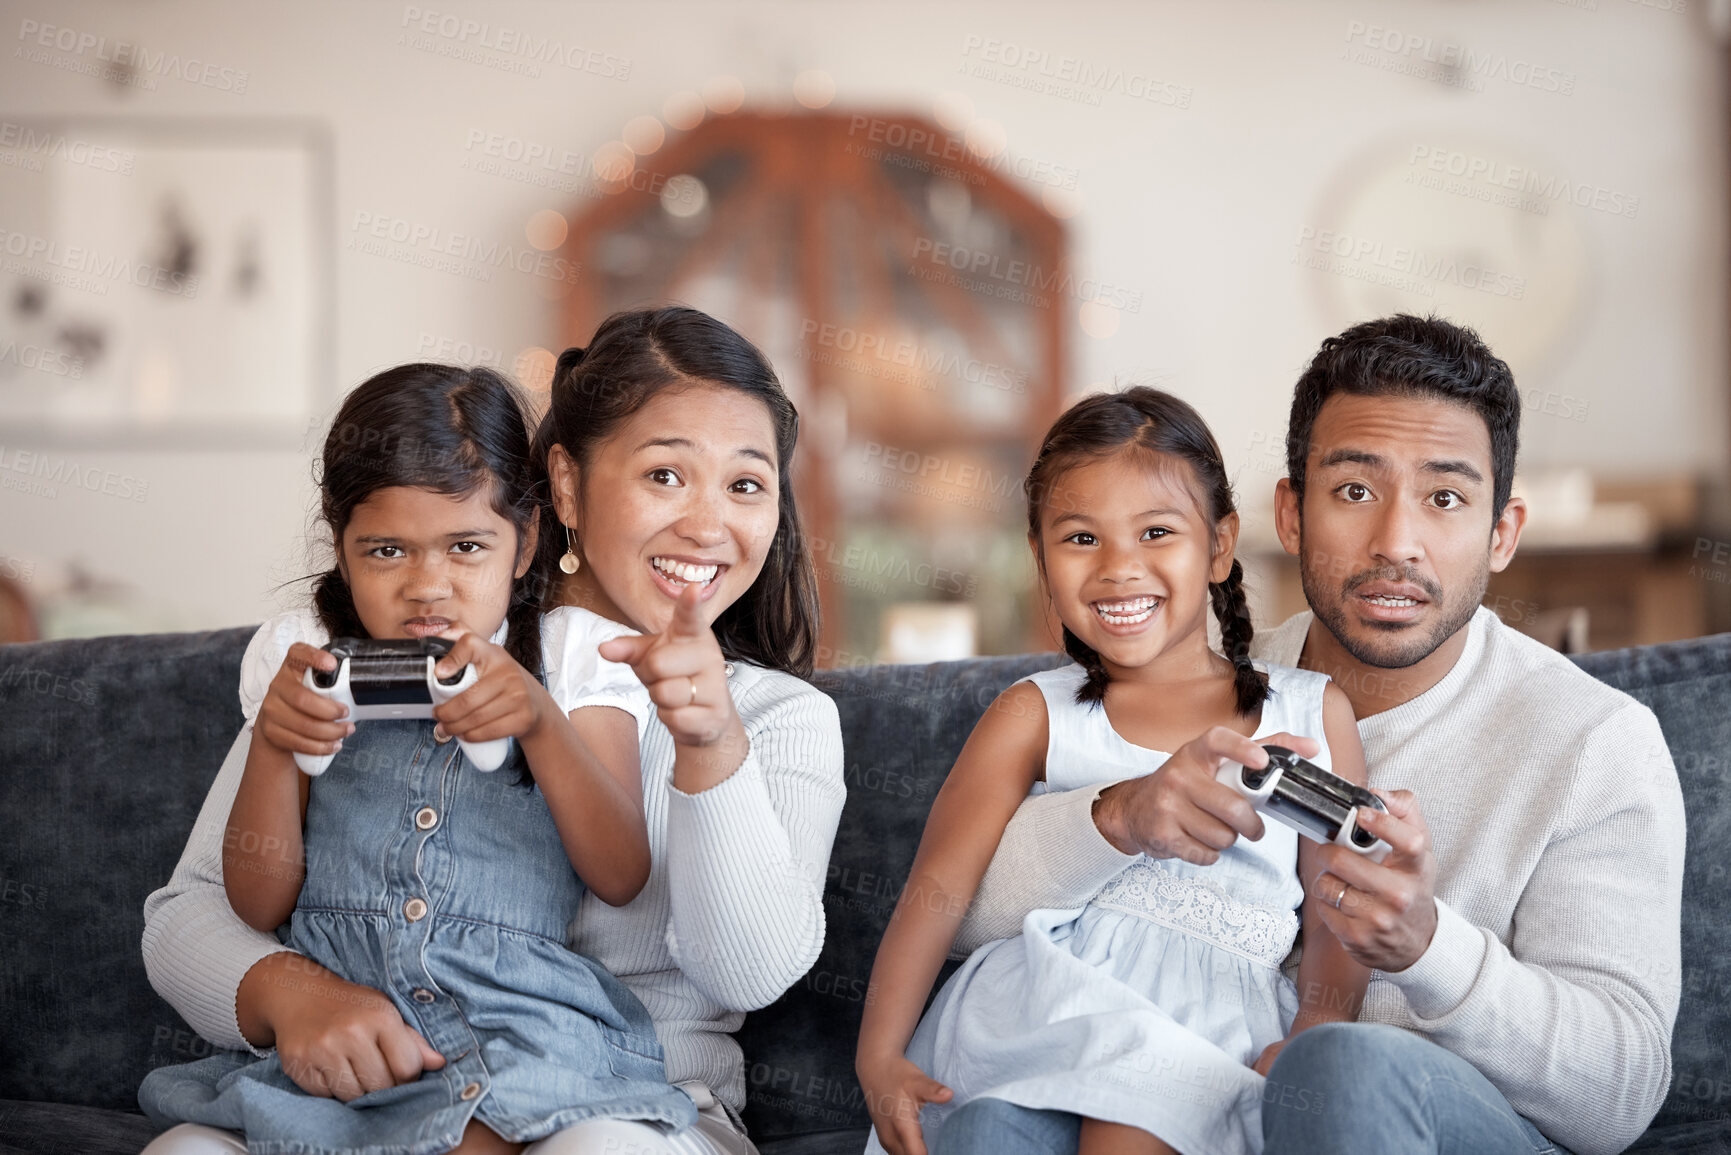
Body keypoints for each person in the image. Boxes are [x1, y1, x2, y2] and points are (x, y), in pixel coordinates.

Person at [942, 315, 1685, 1155]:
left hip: (1431, 1122)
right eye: (1353, 491)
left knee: (1338, 1068)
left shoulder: (1595, 741)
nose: (1395, 542)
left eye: (1444, 498)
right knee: (991, 1124)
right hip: (1196, 1109)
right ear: (1290, 513)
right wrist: (1113, 818)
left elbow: (1619, 1097)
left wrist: (1426, 947)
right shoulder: (1199, 682)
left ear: (1500, 531)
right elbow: (957, 922)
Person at [141, 307, 846, 1155]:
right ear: (567, 486)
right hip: (375, 1080)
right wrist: (293, 995)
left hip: (623, 1106)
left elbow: (750, 973)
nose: (707, 524)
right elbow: (196, 912)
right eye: (666, 475)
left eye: (746, 484)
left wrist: (708, 745)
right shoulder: (369, 664)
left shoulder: (779, 717)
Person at [855, 387, 1372, 1155]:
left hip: (1212, 1027)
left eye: (1157, 531)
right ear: (1039, 555)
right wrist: (878, 1056)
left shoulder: (1308, 712)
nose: (1118, 569)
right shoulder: (1033, 712)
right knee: (988, 1133)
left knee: (1132, 1122)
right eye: (1079, 539)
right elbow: (936, 889)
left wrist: (1313, 1031)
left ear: (1219, 545)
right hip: (1043, 1010)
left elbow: (1340, 909)